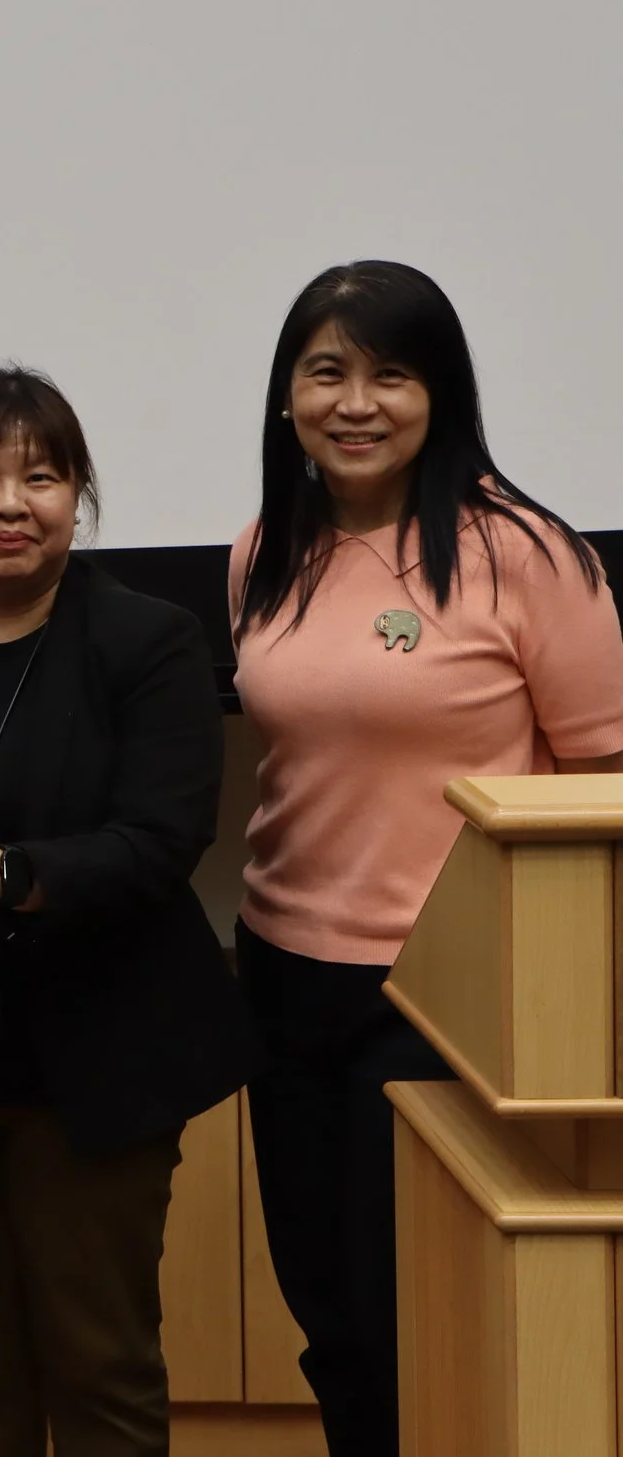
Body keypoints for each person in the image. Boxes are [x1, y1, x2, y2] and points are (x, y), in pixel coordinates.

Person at [229, 262, 623, 1457]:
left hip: (454, 992)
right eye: (327, 370)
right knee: (329, 1320)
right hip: (284, 969)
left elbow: (607, 777)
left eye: (390, 373)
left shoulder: (524, 551)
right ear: (287, 394)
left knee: (421, 1317)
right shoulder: (264, 548)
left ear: (438, 392)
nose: (356, 401)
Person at [0, 368, 253, 1457]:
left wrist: (12, 869)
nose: (8, 503)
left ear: (79, 495)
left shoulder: (146, 640)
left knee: (99, 1361)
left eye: (41, 475)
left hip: (95, 1061)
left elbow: (162, 842)